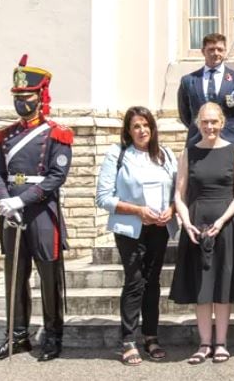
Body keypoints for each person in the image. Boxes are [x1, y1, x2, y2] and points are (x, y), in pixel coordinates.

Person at [0, 55, 72, 362]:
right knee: (15, 275)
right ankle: (17, 336)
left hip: (41, 214)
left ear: (41, 97)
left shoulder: (56, 134)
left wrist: (23, 199)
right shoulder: (5, 136)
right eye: (18, 98)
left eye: (28, 97)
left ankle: (53, 335)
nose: (22, 103)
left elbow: (56, 176)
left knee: (48, 276)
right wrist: (3, 200)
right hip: (11, 214)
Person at [95, 106, 178, 365]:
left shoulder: (165, 154)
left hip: (159, 227)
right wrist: (138, 210)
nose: (142, 130)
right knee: (135, 280)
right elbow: (103, 197)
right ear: (128, 131)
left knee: (152, 281)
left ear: (153, 128)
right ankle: (128, 340)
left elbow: (178, 190)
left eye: (146, 125)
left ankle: (151, 336)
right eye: (136, 126)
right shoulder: (117, 154)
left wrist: (172, 210)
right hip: (130, 228)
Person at [169, 102, 234, 364]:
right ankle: (204, 344)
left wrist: (224, 219)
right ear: (197, 124)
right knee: (202, 286)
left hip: (226, 224)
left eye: (214, 121)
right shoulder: (188, 153)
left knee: (222, 285)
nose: (210, 126)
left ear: (222, 123)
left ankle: (222, 343)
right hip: (196, 224)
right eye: (205, 121)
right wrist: (186, 222)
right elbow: (179, 195)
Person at [178, 33, 234, 149]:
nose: (216, 53)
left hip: (229, 141)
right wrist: (201, 126)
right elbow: (185, 114)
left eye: (220, 49)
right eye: (211, 49)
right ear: (203, 51)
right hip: (197, 141)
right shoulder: (188, 81)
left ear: (224, 52)